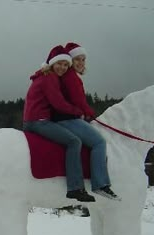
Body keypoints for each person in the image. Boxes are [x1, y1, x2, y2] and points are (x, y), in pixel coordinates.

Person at [23, 45, 96, 202]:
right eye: (59, 64)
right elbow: (58, 103)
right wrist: (79, 112)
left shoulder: (44, 75)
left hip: (34, 120)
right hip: (39, 121)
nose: (62, 67)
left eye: (65, 65)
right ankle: (75, 187)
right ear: (51, 63)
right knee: (74, 141)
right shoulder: (49, 78)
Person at [52, 42, 120, 201]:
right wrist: (90, 114)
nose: (81, 63)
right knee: (99, 142)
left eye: (83, 59)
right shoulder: (71, 78)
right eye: (77, 59)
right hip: (66, 119)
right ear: (70, 61)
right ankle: (100, 184)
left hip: (64, 117)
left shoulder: (68, 77)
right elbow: (79, 101)